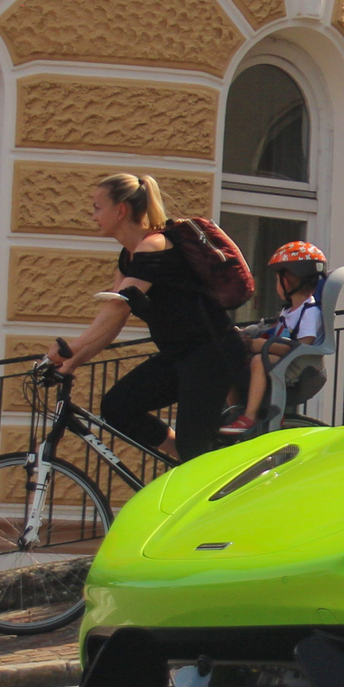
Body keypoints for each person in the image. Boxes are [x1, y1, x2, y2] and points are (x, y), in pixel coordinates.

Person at [46, 172, 246, 466]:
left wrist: (71, 347)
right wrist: (71, 363)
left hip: (211, 354)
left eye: (97, 207)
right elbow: (113, 321)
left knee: (195, 446)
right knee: (117, 407)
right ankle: (193, 461)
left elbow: (117, 307)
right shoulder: (127, 256)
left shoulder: (154, 245)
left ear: (121, 210)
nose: (92, 215)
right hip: (179, 355)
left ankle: (204, 471)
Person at [227, 239, 327, 434]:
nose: (276, 285)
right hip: (283, 359)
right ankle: (235, 409)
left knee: (259, 361)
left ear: (288, 279)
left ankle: (249, 416)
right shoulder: (290, 310)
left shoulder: (309, 312)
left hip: (299, 365)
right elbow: (277, 332)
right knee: (230, 358)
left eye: (277, 280)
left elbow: (302, 348)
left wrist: (263, 346)